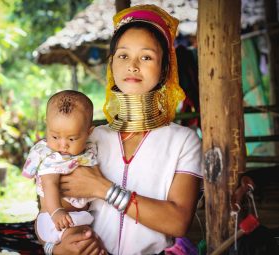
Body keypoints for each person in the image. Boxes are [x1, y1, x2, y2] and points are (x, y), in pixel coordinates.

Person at [49, 4, 203, 255]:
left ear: (164, 69)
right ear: (111, 65)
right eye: (123, 55)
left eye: (146, 57)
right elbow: (56, 209)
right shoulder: (90, 138)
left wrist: (103, 189)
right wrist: (56, 247)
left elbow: (177, 221)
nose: (132, 65)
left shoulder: (183, 141)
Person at [22, 90, 97, 249]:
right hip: (55, 220)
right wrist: (57, 211)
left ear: (89, 132)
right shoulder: (51, 156)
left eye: (71, 138)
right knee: (80, 240)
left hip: (75, 218)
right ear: (47, 125)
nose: (62, 145)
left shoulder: (89, 150)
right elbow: (50, 184)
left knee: (90, 243)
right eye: (55, 137)